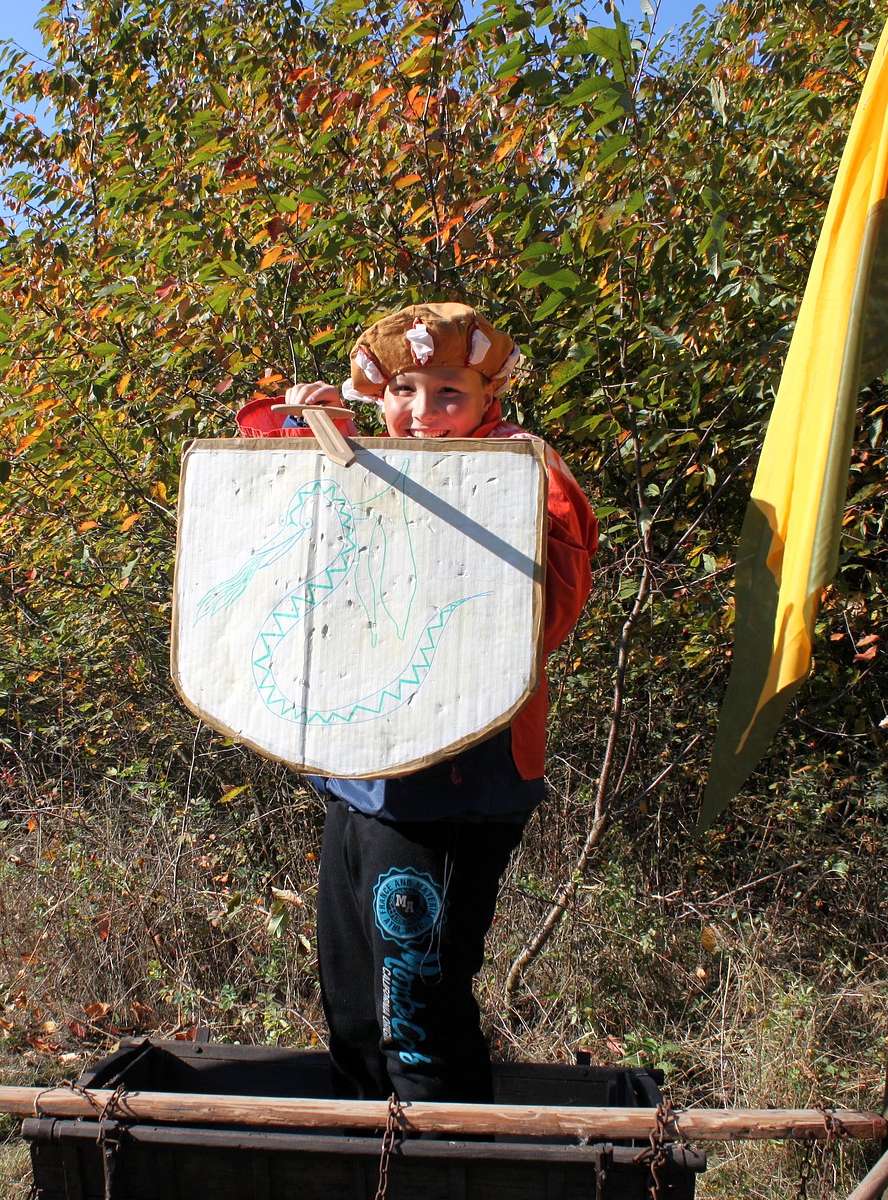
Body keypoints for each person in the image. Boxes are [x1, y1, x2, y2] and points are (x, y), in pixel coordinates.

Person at [235, 302, 599, 1104]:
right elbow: (266, 487)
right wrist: (305, 426)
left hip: (458, 781)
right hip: (364, 778)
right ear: (379, 392)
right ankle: (369, 1156)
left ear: (486, 394)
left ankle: (447, 1160)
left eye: (448, 393)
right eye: (404, 390)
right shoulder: (367, 458)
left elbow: (542, 611)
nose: (424, 412)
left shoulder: (523, 468)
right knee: (355, 1013)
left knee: (417, 1013)